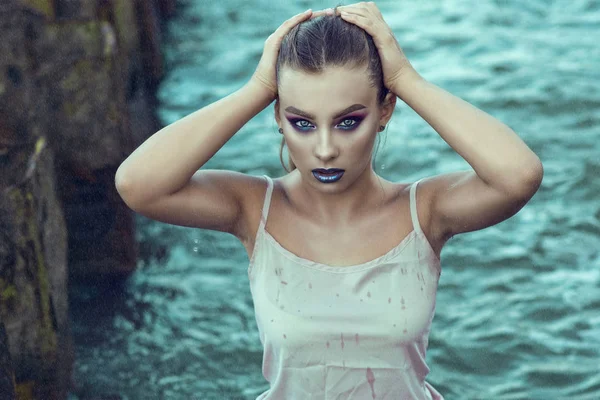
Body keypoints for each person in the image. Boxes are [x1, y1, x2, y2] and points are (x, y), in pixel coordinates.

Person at [115, 3, 543, 399]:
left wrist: (407, 78)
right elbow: (138, 183)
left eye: (348, 121)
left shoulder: (424, 211)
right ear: (279, 117)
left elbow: (518, 175)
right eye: (302, 122)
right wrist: (257, 88)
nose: (324, 149)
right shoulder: (255, 207)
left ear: (385, 111)